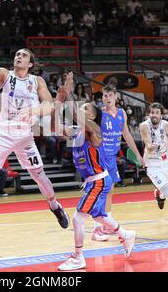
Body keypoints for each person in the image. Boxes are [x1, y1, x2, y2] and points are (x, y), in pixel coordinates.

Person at [0, 33, 69, 228]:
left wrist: (36, 109)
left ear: (30, 64)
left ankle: (54, 206)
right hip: (3, 134)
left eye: (23, 56)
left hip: (25, 137)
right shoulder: (5, 74)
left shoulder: (37, 81)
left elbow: (49, 104)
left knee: (39, 175)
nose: (18, 57)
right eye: (17, 54)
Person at [54, 89, 136, 271]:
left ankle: (78, 257)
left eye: (86, 109)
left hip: (99, 181)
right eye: (81, 108)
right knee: (99, 215)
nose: (81, 111)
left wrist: (68, 94)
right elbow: (54, 126)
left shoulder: (95, 131)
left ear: (93, 116)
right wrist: (58, 103)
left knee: (77, 219)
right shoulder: (77, 132)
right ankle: (125, 234)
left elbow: (76, 114)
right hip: (92, 181)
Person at [86, 83, 145, 241]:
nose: (107, 98)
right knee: (102, 191)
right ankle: (97, 229)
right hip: (101, 155)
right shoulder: (98, 114)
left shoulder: (122, 113)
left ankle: (106, 225)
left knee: (110, 190)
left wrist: (138, 155)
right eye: (105, 95)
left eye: (110, 95)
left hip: (111, 157)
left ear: (116, 97)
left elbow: (127, 135)